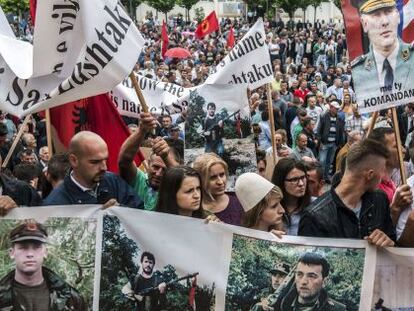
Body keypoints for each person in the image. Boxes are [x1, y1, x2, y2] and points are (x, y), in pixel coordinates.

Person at [299, 139, 396, 246]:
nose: (383, 176)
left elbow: (392, 241)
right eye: (382, 170)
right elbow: (308, 261)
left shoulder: (380, 199)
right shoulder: (315, 216)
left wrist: (388, 243)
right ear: (370, 175)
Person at [43, 131, 143, 208]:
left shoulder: (114, 182)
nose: (104, 167)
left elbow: (139, 212)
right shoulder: (56, 203)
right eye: (95, 162)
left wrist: (121, 212)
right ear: (74, 160)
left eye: (105, 160)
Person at [0, 221, 86, 310]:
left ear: (45, 252)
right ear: (12, 253)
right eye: (23, 247)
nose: (30, 254)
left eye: (37, 247)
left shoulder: (71, 298)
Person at [351, 0, 414, 95]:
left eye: (389, 12)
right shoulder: (358, 71)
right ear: (364, 23)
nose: (385, 22)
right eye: (376, 15)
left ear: (398, 16)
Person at [119, 113, 179, 211]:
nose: (158, 173)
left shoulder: (175, 191)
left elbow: (181, 179)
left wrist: (166, 157)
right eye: (155, 167)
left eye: (164, 170)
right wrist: (141, 130)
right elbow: (124, 161)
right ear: (148, 164)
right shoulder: (140, 180)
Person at [275, 253, 346, 310]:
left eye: (311, 276)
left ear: (324, 282)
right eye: (299, 274)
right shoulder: (278, 305)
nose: (303, 281)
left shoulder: (337, 309)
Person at [193, 153, 244, 225]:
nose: (220, 182)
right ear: (200, 179)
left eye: (222, 174)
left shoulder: (239, 202)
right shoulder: (193, 209)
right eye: (212, 177)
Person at [271, 158, 310, 235]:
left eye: (303, 177)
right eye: (294, 180)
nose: (301, 184)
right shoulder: (269, 208)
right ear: (281, 181)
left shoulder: (316, 206)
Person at [317, 101, 345, 182]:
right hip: (324, 143)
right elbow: (319, 129)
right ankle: (320, 177)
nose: (337, 110)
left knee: (329, 161)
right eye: (336, 108)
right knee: (322, 161)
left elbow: (341, 130)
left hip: (334, 143)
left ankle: (326, 177)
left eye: (338, 109)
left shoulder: (339, 118)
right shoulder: (324, 116)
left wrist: (340, 142)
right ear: (331, 108)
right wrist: (319, 141)